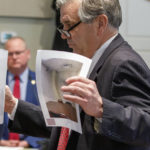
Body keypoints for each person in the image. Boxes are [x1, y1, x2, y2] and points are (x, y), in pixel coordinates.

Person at [4, 0, 150, 149]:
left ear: (100, 23)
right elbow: (64, 126)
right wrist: (12, 105)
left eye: (69, 25)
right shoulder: (90, 60)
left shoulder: (124, 63)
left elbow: (146, 128)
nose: (63, 35)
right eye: (62, 26)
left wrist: (101, 108)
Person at [0, 37, 44, 148]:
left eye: (18, 53)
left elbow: (48, 119)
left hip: (30, 146)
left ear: (28, 54)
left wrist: (27, 143)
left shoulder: (42, 82)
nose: (14, 57)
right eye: (10, 54)